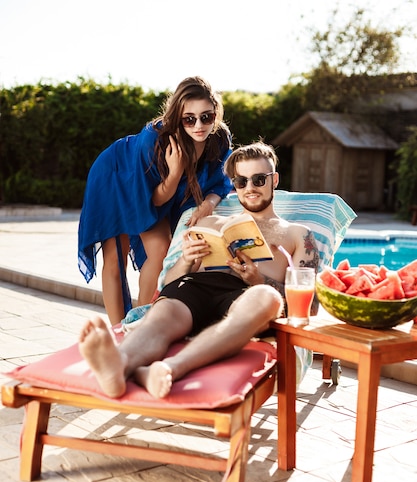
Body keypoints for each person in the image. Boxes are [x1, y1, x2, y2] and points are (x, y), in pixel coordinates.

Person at [78, 142, 319, 400]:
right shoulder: (210, 222)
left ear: (275, 180)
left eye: (259, 180)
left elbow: (311, 306)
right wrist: (185, 260)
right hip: (196, 287)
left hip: (247, 295)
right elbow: (167, 283)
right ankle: (120, 364)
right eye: (241, 181)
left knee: (266, 297)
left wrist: (259, 279)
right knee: (164, 311)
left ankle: (169, 369)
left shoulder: (297, 234)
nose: (250, 188)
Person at [78, 76, 233, 325]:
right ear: (178, 116)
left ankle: (143, 321)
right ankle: (120, 330)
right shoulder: (156, 139)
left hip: (149, 190)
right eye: (189, 119)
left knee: (161, 250)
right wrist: (175, 173)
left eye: (207, 116)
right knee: (116, 257)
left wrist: (209, 203)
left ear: (216, 113)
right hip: (116, 176)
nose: (199, 125)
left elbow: (222, 182)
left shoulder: (219, 139)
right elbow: (154, 201)